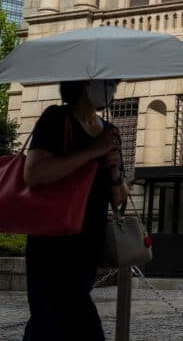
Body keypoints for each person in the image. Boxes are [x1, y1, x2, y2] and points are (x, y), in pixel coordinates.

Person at [21, 79, 130, 341]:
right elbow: (33, 173)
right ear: (84, 84)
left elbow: (119, 201)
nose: (112, 90)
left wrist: (115, 172)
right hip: (51, 240)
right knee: (63, 318)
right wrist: (92, 151)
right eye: (107, 83)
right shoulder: (56, 119)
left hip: (87, 243)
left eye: (114, 84)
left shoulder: (110, 132)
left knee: (50, 322)